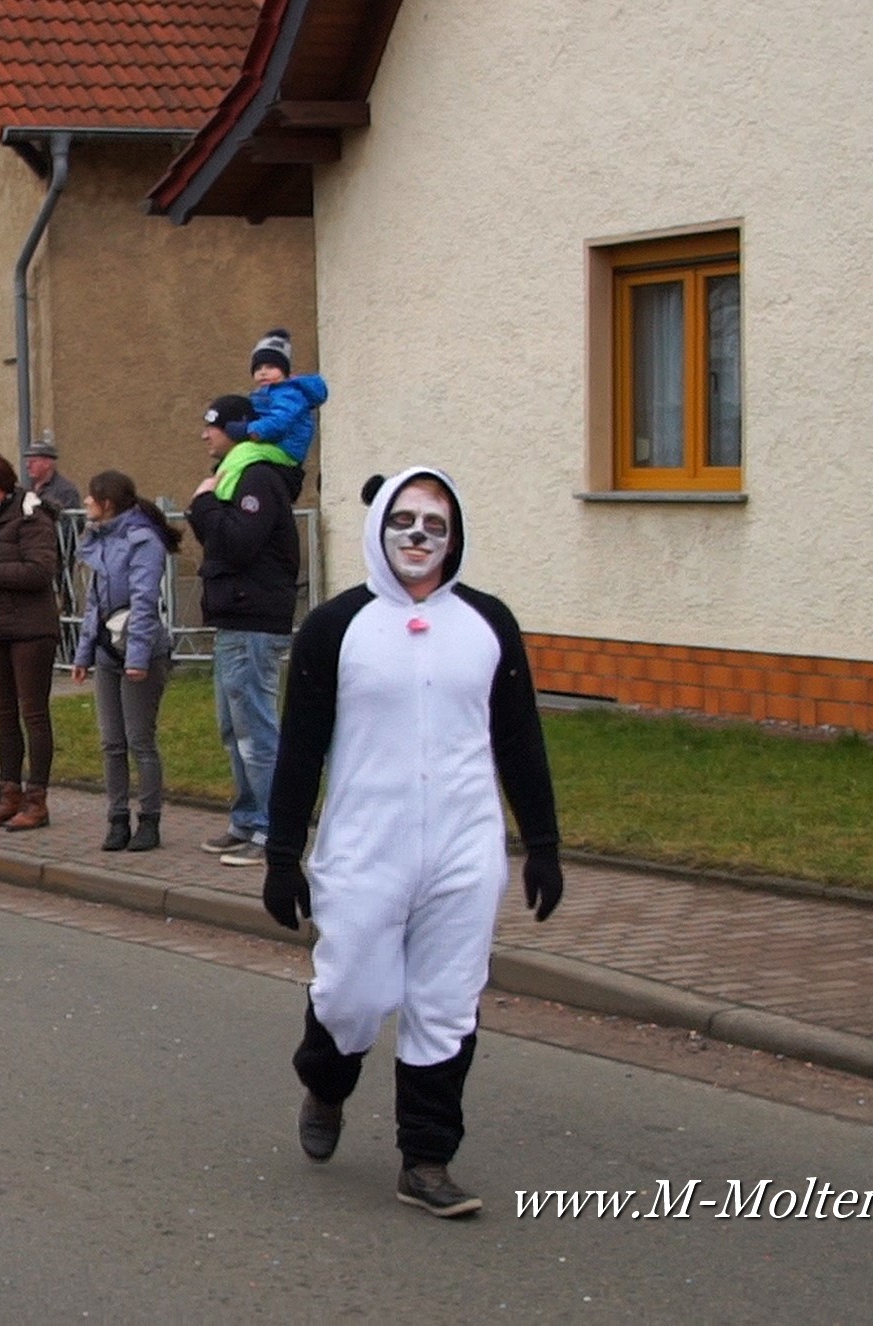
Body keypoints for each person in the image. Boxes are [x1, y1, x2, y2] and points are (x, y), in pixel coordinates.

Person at [262, 469, 561, 1219]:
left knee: (446, 1005)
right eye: (404, 519)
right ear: (380, 529)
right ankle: (326, 1084)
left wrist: (544, 844)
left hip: (464, 848)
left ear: (455, 535)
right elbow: (299, 749)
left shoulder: (488, 623)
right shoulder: (335, 627)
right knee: (353, 994)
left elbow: (520, 738)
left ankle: (426, 1159)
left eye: (435, 520)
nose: (419, 534)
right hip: (366, 848)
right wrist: (281, 853)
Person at [187, 394, 302, 866]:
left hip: (253, 621)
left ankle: (274, 831)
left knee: (256, 729)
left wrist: (204, 502)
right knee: (234, 729)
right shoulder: (239, 473)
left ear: (234, 428)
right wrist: (210, 505)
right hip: (235, 618)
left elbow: (235, 543)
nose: (204, 434)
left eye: (211, 425)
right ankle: (248, 818)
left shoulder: (257, 476)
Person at [71, 470, 179, 851]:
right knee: (110, 742)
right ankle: (117, 819)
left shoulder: (143, 541)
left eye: (90, 497)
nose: (85, 503)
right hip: (106, 651)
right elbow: (95, 604)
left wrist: (137, 659)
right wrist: (84, 653)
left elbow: (144, 602)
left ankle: (149, 821)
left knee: (139, 741)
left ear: (108, 504)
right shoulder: (100, 539)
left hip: (142, 652)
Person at [0, 449, 62, 832]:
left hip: (30, 628)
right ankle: (8, 793)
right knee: (3, 715)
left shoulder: (31, 515)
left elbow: (40, 571)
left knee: (33, 713)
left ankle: (37, 799)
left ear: (1, 486)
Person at [239, 328, 329, 488]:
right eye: (258, 368)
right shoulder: (263, 394)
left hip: (287, 449)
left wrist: (249, 430)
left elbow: (279, 421)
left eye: (270, 367)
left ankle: (224, 495)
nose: (263, 372)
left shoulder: (290, 394)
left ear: (285, 371)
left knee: (244, 454)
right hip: (274, 444)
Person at [21, 441, 82, 513]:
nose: (28, 466)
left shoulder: (65, 491)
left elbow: (69, 521)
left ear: (47, 464)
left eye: (33, 461)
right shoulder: (27, 488)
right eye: (27, 461)